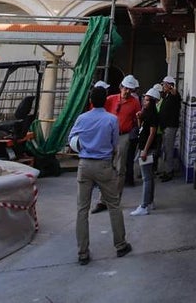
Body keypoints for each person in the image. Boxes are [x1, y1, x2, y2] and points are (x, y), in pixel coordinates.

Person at [67, 86, 133, 264]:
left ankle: (82, 253)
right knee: (114, 205)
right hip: (104, 165)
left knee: (82, 209)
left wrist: (85, 146)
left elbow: (71, 139)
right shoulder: (111, 120)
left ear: (90, 101)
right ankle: (120, 245)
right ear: (105, 100)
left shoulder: (82, 118)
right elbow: (114, 144)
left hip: (84, 165)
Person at [92, 74, 141, 213]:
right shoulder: (110, 100)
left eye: (130, 90)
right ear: (121, 87)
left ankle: (115, 200)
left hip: (123, 136)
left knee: (120, 169)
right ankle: (102, 201)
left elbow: (138, 119)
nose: (127, 92)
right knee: (105, 168)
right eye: (125, 89)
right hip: (108, 136)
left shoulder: (134, 102)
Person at [130, 86, 162, 216]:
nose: (144, 101)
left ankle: (144, 205)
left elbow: (152, 133)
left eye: (147, 100)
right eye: (145, 99)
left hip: (147, 149)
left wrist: (145, 150)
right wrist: (139, 119)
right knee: (149, 177)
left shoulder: (153, 115)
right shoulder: (146, 114)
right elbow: (142, 130)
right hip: (144, 147)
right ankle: (149, 202)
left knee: (146, 178)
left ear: (153, 102)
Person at [157, 75, 180, 181]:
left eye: (164, 85)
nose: (163, 86)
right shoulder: (166, 96)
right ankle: (167, 169)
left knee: (169, 149)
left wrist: (171, 88)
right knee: (166, 149)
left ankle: (169, 171)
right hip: (165, 127)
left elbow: (175, 94)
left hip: (170, 126)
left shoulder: (174, 95)